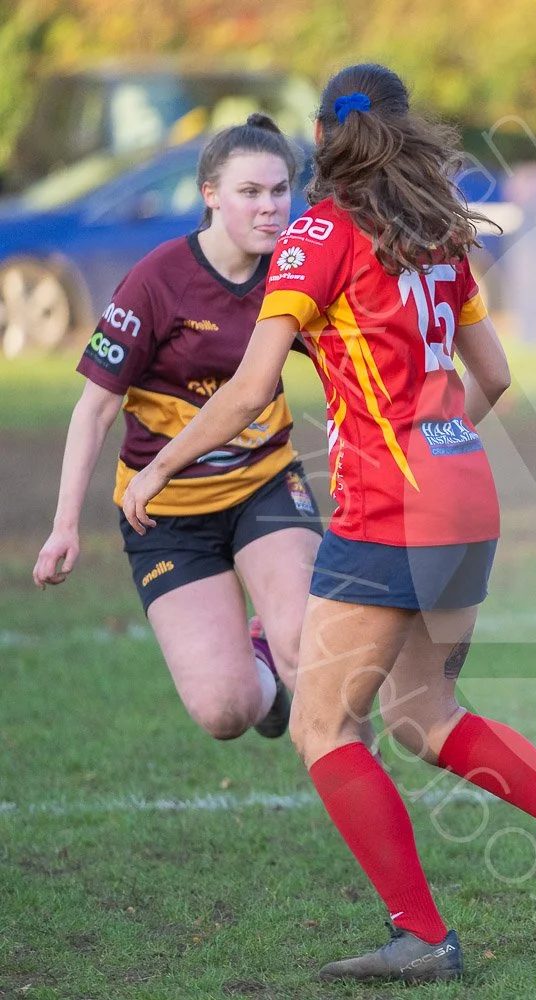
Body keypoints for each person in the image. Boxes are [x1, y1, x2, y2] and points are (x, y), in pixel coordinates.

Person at [120, 64, 536, 983]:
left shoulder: (320, 234)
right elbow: (492, 378)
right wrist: (435, 445)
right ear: (406, 130)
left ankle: (424, 935)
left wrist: (161, 467)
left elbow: (253, 387)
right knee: (423, 712)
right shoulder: (440, 233)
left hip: (391, 508)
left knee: (322, 726)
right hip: (466, 495)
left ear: (323, 138)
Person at [34, 114, 321, 743]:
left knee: (314, 654)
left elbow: (352, 361)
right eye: (250, 192)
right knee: (226, 711)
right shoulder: (157, 280)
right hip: (164, 513)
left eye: (280, 191)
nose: (270, 208)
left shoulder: (298, 270)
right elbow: (95, 409)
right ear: (210, 195)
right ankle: (261, 665)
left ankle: (363, 787)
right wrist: (63, 526)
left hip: (266, 486)